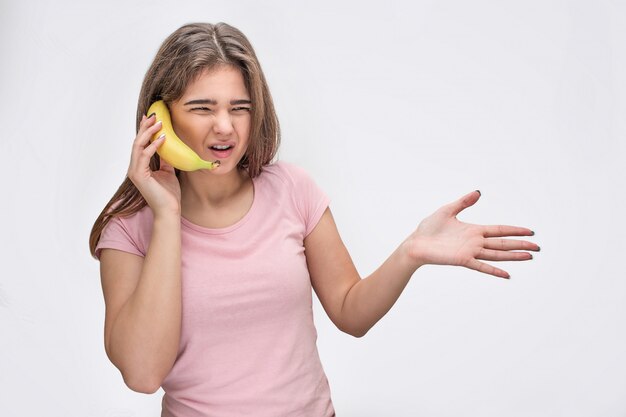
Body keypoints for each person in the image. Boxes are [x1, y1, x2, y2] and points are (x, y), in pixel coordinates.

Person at [89, 22, 540, 417]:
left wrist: (410, 253)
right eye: (203, 108)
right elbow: (143, 374)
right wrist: (168, 215)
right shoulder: (129, 229)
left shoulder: (293, 190)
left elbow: (350, 312)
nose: (225, 126)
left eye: (240, 108)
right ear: (159, 119)